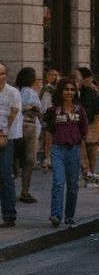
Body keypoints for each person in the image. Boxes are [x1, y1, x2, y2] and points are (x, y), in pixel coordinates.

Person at [43, 76, 89, 227]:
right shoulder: (53, 111)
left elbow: (83, 135)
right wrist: (47, 156)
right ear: (60, 91)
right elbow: (48, 134)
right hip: (58, 150)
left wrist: (85, 159)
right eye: (66, 89)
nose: (69, 92)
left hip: (74, 150)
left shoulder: (80, 111)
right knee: (58, 183)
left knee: (73, 187)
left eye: (71, 90)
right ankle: (56, 214)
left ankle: (69, 216)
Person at [15, 68, 42, 204]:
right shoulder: (30, 92)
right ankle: (25, 191)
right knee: (29, 160)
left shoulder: (16, 91)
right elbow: (37, 109)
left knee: (16, 160)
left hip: (16, 128)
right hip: (29, 127)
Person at [0, 62, 21, 227]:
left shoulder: (13, 93)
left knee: (6, 175)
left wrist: (4, 134)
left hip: (6, 137)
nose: (0, 77)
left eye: (2, 73)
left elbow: (13, 115)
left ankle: (9, 215)